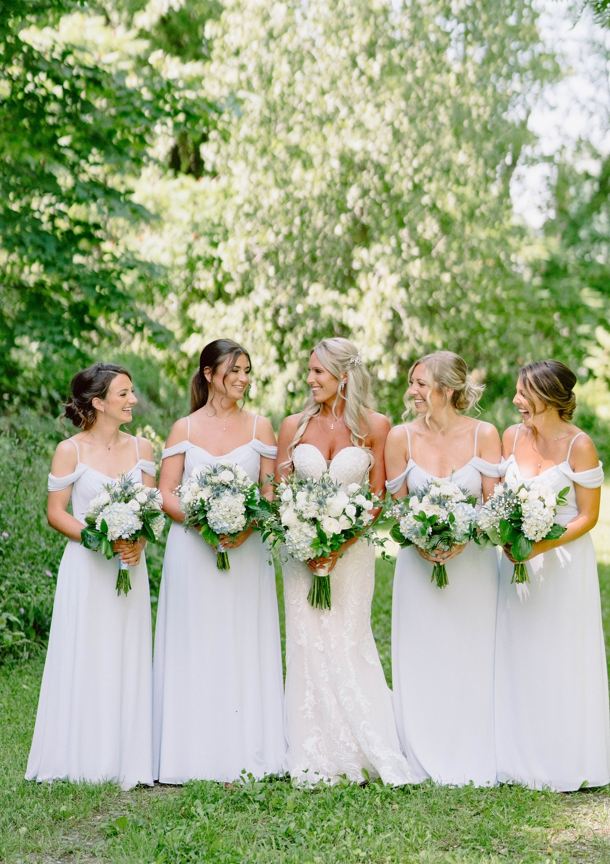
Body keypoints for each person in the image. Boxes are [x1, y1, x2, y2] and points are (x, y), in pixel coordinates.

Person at [275, 337, 416, 787]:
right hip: (300, 553)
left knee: (349, 638)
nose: (310, 378)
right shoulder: (292, 425)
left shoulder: (376, 425)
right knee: (306, 641)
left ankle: (363, 745)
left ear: (343, 376)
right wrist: (303, 535)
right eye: (310, 370)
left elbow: (376, 497)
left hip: (352, 554)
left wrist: (339, 541)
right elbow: (277, 492)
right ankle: (313, 747)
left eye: (318, 371)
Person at [153, 339, 284, 783]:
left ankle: (248, 748)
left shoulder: (260, 428)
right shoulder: (183, 429)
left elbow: (269, 493)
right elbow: (166, 491)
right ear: (209, 374)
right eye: (235, 371)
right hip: (193, 549)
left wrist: (242, 528)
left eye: (248, 371)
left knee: (242, 638)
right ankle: (191, 754)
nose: (244, 379)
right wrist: (204, 524)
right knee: (197, 640)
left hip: (247, 552)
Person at [26, 363, 156, 790]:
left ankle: (128, 754)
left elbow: (151, 509)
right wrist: (101, 537)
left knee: (127, 651)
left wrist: (137, 541)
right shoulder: (71, 450)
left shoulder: (144, 450)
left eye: (132, 392)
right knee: (87, 651)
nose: (133, 400)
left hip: (130, 569)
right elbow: (56, 513)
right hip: (87, 566)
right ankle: (81, 752)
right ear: (98, 403)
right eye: (123, 394)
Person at [385, 351, 503, 785]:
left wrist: (464, 537)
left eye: (419, 383)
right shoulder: (400, 438)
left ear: (446, 390)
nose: (411, 391)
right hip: (417, 569)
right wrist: (419, 539)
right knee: (423, 654)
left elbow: (495, 506)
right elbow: (392, 509)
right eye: (412, 382)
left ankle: (471, 745)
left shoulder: (484, 435)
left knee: (470, 652)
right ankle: (421, 746)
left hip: (472, 568)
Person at [494, 359, 610, 791]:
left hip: (562, 566)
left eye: (523, 394)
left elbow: (588, 516)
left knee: (561, 654)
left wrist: (539, 546)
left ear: (547, 397)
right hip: (515, 565)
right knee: (519, 652)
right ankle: (516, 756)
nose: (515, 401)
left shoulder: (580, 445)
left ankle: (564, 758)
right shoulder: (511, 436)